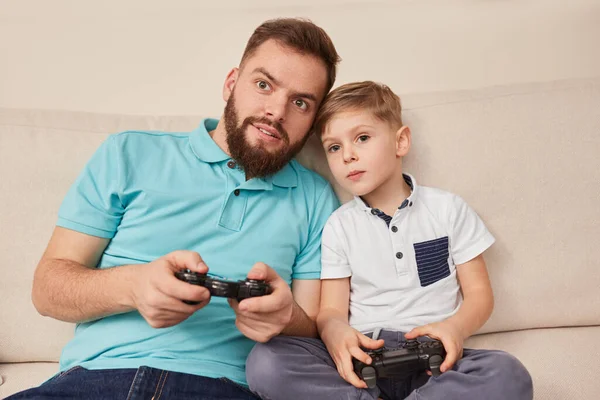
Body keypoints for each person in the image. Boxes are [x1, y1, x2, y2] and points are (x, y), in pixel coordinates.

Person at [7, 18, 341, 400]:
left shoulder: (316, 196)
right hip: (93, 381)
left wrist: (287, 318)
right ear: (231, 83)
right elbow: (46, 290)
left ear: (313, 121)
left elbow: (314, 324)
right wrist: (134, 287)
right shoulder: (129, 153)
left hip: (228, 388)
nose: (276, 111)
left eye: (300, 102)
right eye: (263, 85)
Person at [246, 81, 534, 399]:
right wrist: (336, 332)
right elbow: (331, 310)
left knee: (509, 374)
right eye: (334, 147)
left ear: (401, 141)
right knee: (266, 361)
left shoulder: (448, 209)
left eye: (362, 138)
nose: (348, 156)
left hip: (434, 361)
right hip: (364, 359)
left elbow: (480, 296)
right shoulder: (339, 225)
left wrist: (455, 328)